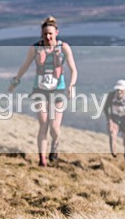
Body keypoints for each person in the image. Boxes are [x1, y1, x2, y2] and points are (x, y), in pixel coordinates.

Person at [8, 16, 78, 167]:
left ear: (56, 32)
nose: (48, 36)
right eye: (45, 33)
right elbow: (24, 66)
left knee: (54, 127)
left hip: (58, 91)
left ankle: (55, 144)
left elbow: (74, 70)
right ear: (41, 33)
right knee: (43, 124)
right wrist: (15, 81)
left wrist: (71, 86)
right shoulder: (35, 48)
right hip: (39, 90)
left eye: (50, 33)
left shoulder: (63, 48)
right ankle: (42, 160)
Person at [103, 79, 125, 164]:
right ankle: (114, 154)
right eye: (117, 90)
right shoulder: (111, 96)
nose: (119, 92)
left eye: (121, 90)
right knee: (112, 134)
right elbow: (105, 108)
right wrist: (109, 119)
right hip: (114, 119)